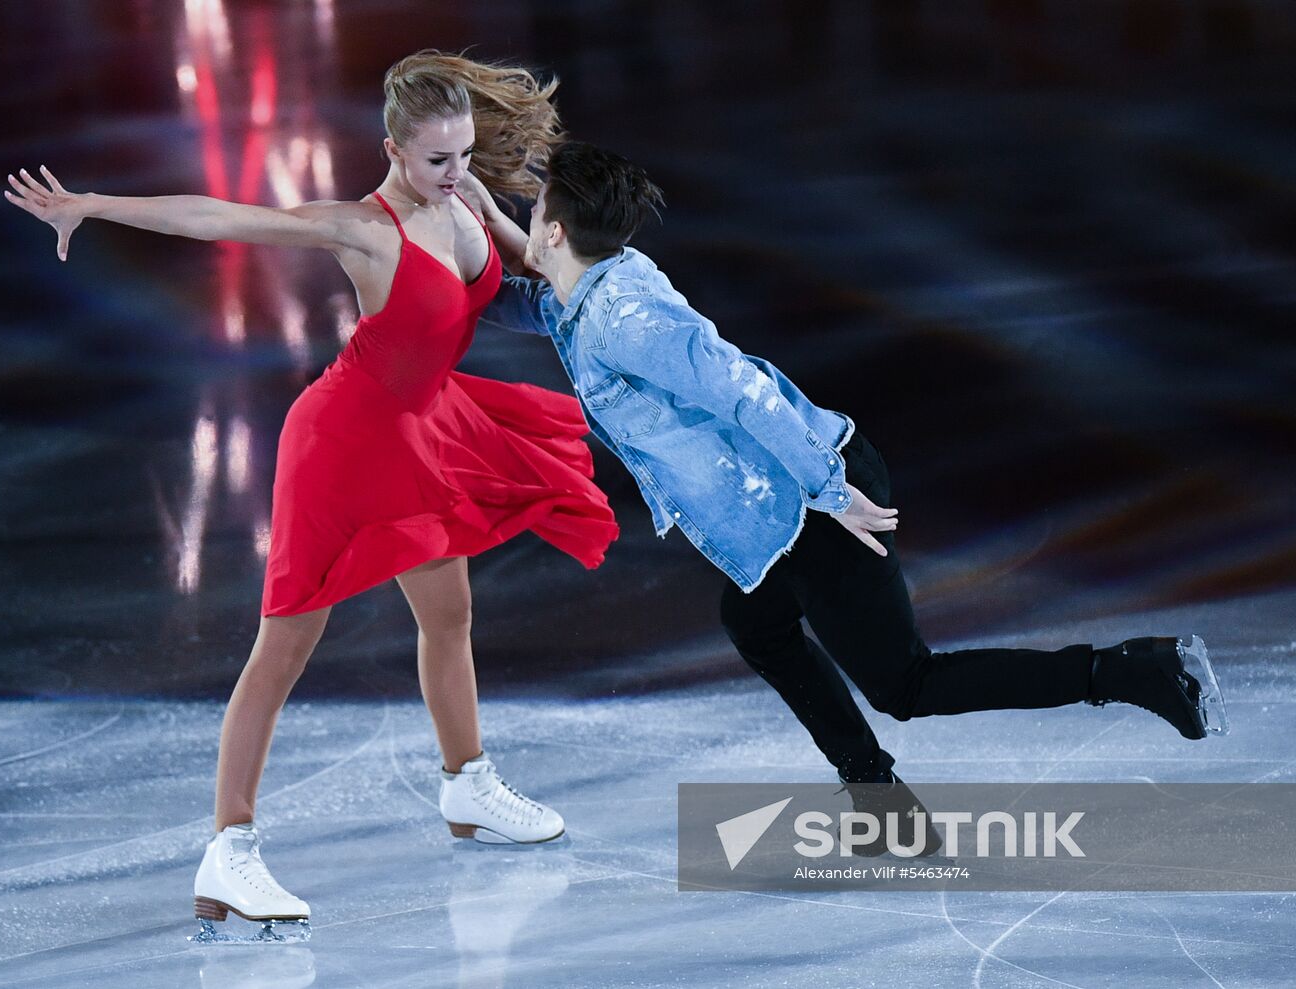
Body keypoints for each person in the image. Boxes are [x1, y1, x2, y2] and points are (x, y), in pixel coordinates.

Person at [4, 53, 618, 939]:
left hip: (424, 428)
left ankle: (467, 785)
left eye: (465, 155)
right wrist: (92, 206)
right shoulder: (362, 230)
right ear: (393, 151)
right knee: (285, 645)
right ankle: (230, 847)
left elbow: (543, 282)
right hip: (341, 443)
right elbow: (219, 219)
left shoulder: (469, 202)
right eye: (439, 160)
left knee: (449, 614)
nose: (457, 174)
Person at [466, 142, 1228, 853]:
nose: (527, 224)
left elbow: (743, 391)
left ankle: (1134, 670)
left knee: (906, 684)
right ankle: (879, 800)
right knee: (756, 623)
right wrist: (477, 236)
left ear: (557, 231)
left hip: (812, 500)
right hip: (780, 513)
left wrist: (832, 492)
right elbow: (538, 305)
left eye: (534, 215)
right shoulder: (600, 285)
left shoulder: (627, 319)